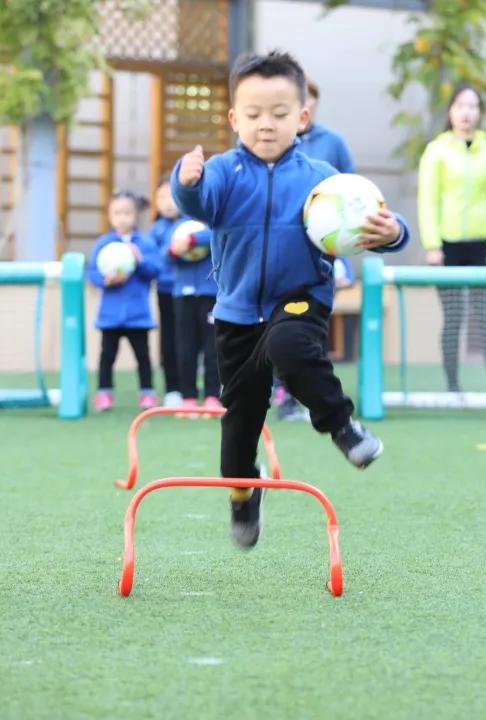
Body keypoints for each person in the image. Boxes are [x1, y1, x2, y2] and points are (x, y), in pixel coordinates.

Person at [171, 50, 410, 549]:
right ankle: (242, 495)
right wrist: (185, 181)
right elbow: (196, 203)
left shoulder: (322, 177)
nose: (265, 126)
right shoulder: (221, 172)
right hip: (237, 312)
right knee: (240, 423)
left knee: (290, 348)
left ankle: (343, 426)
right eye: (253, 115)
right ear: (235, 118)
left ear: (302, 118)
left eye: (279, 115)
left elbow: (372, 218)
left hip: (299, 296)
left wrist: (391, 233)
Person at [417, 84, 486, 392]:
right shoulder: (437, 150)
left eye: (472, 106)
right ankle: (452, 385)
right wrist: (432, 245)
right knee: (453, 317)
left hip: (483, 246)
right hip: (447, 247)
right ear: (450, 111)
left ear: (480, 113)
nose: (466, 112)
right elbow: (427, 200)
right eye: (460, 105)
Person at [277, 77, 358, 421]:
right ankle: (280, 394)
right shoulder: (272, 142)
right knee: (273, 327)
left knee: (311, 328)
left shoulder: (332, 144)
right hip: (281, 252)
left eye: (309, 98)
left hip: (322, 253)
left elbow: (354, 196)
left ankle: (308, 399)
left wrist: (344, 261)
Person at [86, 191, 162, 412]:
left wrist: (139, 261)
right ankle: (104, 393)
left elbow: (155, 270)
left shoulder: (145, 243)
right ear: (109, 216)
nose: (122, 218)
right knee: (106, 356)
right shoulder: (104, 244)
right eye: (117, 213)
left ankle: (147, 393)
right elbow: (92, 273)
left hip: (138, 315)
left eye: (127, 213)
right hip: (110, 315)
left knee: (143, 356)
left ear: (136, 215)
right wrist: (105, 280)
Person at [166, 195, 221, 414]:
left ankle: (212, 396)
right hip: (183, 296)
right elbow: (165, 254)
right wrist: (173, 250)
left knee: (212, 347)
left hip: (211, 293)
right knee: (185, 347)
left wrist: (192, 241)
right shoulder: (178, 226)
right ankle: (188, 397)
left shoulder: (214, 223)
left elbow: (216, 236)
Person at [149, 179, 183, 407]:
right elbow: (153, 259)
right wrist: (171, 249)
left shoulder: (194, 223)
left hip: (194, 293)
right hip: (166, 292)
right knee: (169, 340)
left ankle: (198, 386)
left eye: (172, 196)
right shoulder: (156, 230)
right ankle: (173, 388)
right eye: (162, 197)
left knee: (197, 341)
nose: (167, 202)